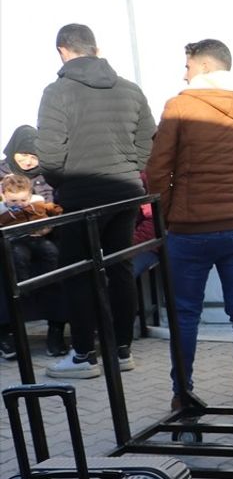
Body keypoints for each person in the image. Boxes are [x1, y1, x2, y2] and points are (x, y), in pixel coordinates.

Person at [144, 39, 233, 419]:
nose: (183, 74)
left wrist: (165, 217)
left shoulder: (181, 105)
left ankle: (183, 396)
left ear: (201, 66)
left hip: (188, 230)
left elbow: (157, 171)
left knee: (184, 314)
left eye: (186, 66)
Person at [37, 23, 155, 379]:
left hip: (81, 197)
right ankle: (121, 351)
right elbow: (148, 139)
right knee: (118, 268)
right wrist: (128, 171)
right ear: (95, 48)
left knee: (79, 273)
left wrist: (65, 184)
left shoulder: (58, 92)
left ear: (62, 50)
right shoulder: (130, 89)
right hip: (125, 193)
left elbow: (50, 154)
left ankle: (84, 355)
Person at [0, 173, 68, 359]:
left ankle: (56, 330)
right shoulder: (4, 207)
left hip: (41, 239)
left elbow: (55, 211)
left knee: (53, 257)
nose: (19, 204)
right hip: (13, 244)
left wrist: (48, 226)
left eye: (23, 200)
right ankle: (7, 331)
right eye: (14, 200)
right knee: (16, 259)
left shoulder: (38, 199)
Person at [2, 125, 55, 201]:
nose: (28, 162)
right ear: (13, 150)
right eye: (24, 155)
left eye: (34, 157)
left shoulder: (48, 176)